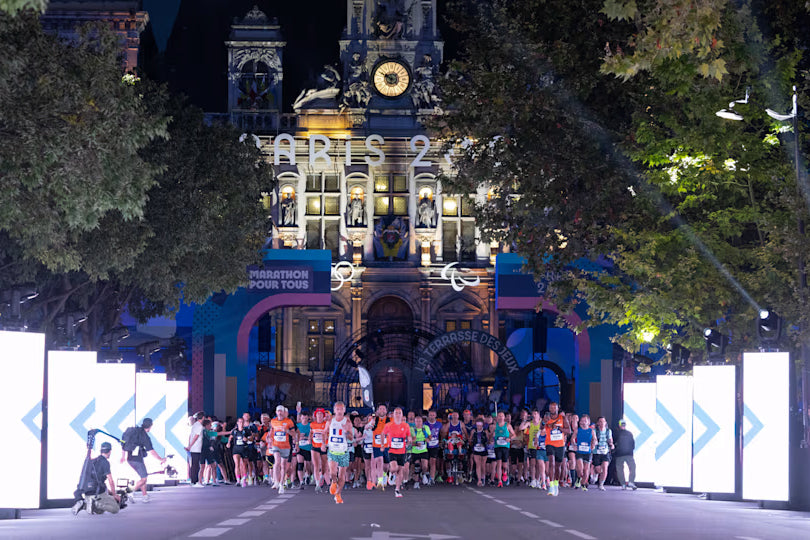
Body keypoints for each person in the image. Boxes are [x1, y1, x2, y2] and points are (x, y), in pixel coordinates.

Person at [121, 418, 166, 503]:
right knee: (144, 478)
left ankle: (145, 496)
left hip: (130, 459)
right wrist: (161, 459)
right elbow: (151, 451)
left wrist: (123, 456)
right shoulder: (144, 436)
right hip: (137, 460)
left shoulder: (134, 431)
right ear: (150, 426)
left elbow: (123, 443)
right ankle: (130, 492)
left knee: (142, 477)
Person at [72, 442, 121, 515]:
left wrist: (110, 492)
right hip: (98, 494)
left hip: (87, 493)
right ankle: (95, 504)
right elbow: (110, 481)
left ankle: (86, 504)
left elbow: (98, 480)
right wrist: (114, 495)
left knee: (100, 511)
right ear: (110, 451)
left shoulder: (93, 461)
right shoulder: (105, 462)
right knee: (116, 508)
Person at [326, 401, 354, 504]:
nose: (339, 411)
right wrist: (323, 443)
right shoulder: (330, 421)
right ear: (334, 410)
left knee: (342, 475)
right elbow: (325, 432)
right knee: (333, 472)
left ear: (344, 410)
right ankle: (333, 482)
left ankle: (338, 494)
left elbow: (351, 438)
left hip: (343, 451)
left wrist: (346, 431)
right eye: (337, 409)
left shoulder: (348, 422)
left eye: (341, 409)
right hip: (333, 450)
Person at [382, 407, 412, 498]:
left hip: (402, 451)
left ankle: (397, 489)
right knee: (394, 468)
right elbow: (383, 434)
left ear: (402, 415)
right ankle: (391, 473)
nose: (398, 415)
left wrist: (409, 440)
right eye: (396, 413)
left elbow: (409, 435)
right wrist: (383, 445)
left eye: (399, 413)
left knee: (400, 470)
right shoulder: (389, 425)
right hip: (392, 450)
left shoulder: (405, 425)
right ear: (393, 415)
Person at [544, 402, 571, 497]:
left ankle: (556, 484)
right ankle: (550, 486)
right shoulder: (546, 418)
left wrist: (560, 429)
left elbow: (569, 431)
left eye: (554, 407)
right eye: (550, 407)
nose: (552, 409)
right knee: (551, 462)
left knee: (558, 466)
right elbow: (541, 427)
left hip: (560, 444)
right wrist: (545, 423)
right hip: (549, 443)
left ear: (557, 408)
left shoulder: (563, 418)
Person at [269, 405, 296, 493]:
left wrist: (287, 431)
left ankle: (281, 483)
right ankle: (276, 481)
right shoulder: (273, 421)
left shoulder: (289, 421)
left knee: (283, 465)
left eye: (281, 411)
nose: (280, 413)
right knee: (277, 462)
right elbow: (271, 432)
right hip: (276, 445)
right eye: (278, 411)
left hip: (286, 446)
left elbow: (294, 434)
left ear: (284, 412)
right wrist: (269, 440)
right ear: (276, 412)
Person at [491, 411, 515, 488]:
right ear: (497, 417)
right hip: (497, 446)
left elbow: (514, 434)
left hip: (505, 446)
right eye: (499, 416)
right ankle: (499, 481)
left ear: (504, 417)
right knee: (499, 463)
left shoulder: (508, 425)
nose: (500, 417)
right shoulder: (495, 426)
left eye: (502, 416)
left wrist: (510, 438)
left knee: (504, 464)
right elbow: (491, 435)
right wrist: (492, 438)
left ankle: (504, 473)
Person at [573, 414, 596, 491]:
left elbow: (595, 439)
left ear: (588, 422)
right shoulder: (577, 430)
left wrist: (593, 444)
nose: (583, 422)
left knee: (586, 471)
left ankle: (583, 484)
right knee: (580, 469)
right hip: (579, 451)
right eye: (582, 421)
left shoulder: (591, 431)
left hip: (588, 452)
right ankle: (579, 478)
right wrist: (574, 445)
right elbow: (573, 439)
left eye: (585, 421)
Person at [592, 416, 614, 490]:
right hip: (596, 452)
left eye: (603, 421)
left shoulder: (608, 431)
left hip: (605, 451)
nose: (602, 423)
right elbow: (593, 439)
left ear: (605, 423)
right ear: (598, 423)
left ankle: (601, 484)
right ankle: (595, 473)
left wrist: (611, 444)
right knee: (598, 469)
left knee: (605, 468)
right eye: (600, 422)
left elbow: (610, 440)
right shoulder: (594, 431)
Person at [410, 415, 430, 489]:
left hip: (424, 450)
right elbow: (409, 442)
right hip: (415, 451)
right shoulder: (412, 429)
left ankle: (424, 474)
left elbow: (430, 436)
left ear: (422, 422)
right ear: (414, 422)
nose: (418, 423)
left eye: (420, 421)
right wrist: (415, 444)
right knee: (417, 466)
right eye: (417, 421)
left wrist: (428, 439)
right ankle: (416, 482)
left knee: (425, 466)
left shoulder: (426, 428)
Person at [186, 411, 205, 487]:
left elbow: (191, 436)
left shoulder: (195, 425)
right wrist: (190, 446)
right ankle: (195, 482)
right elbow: (196, 437)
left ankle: (193, 481)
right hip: (196, 448)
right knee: (195, 465)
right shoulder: (199, 426)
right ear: (203, 417)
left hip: (194, 447)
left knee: (194, 465)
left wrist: (189, 445)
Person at [469, 419, 489, 487]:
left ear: (482, 425)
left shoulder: (485, 431)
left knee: (483, 465)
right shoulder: (473, 431)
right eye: (477, 425)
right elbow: (470, 439)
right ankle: (479, 480)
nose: (479, 427)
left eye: (480, 425)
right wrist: (472, 442)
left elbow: (488, 440)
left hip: (484, 449)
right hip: (476, 449)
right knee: (478, 464)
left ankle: (483, 477)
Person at [425, 409, 442, 484]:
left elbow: (442, 434)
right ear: (428, 416)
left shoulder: (439, 424)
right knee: (426, 463)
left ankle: (432, 479)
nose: (431, 417)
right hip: (426, 446)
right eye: (430, 415)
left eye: (433, 415)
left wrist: (441, 441)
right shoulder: (424, 424)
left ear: (435, 416)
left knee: (433, 462)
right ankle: (427, 476)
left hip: (435, 446)